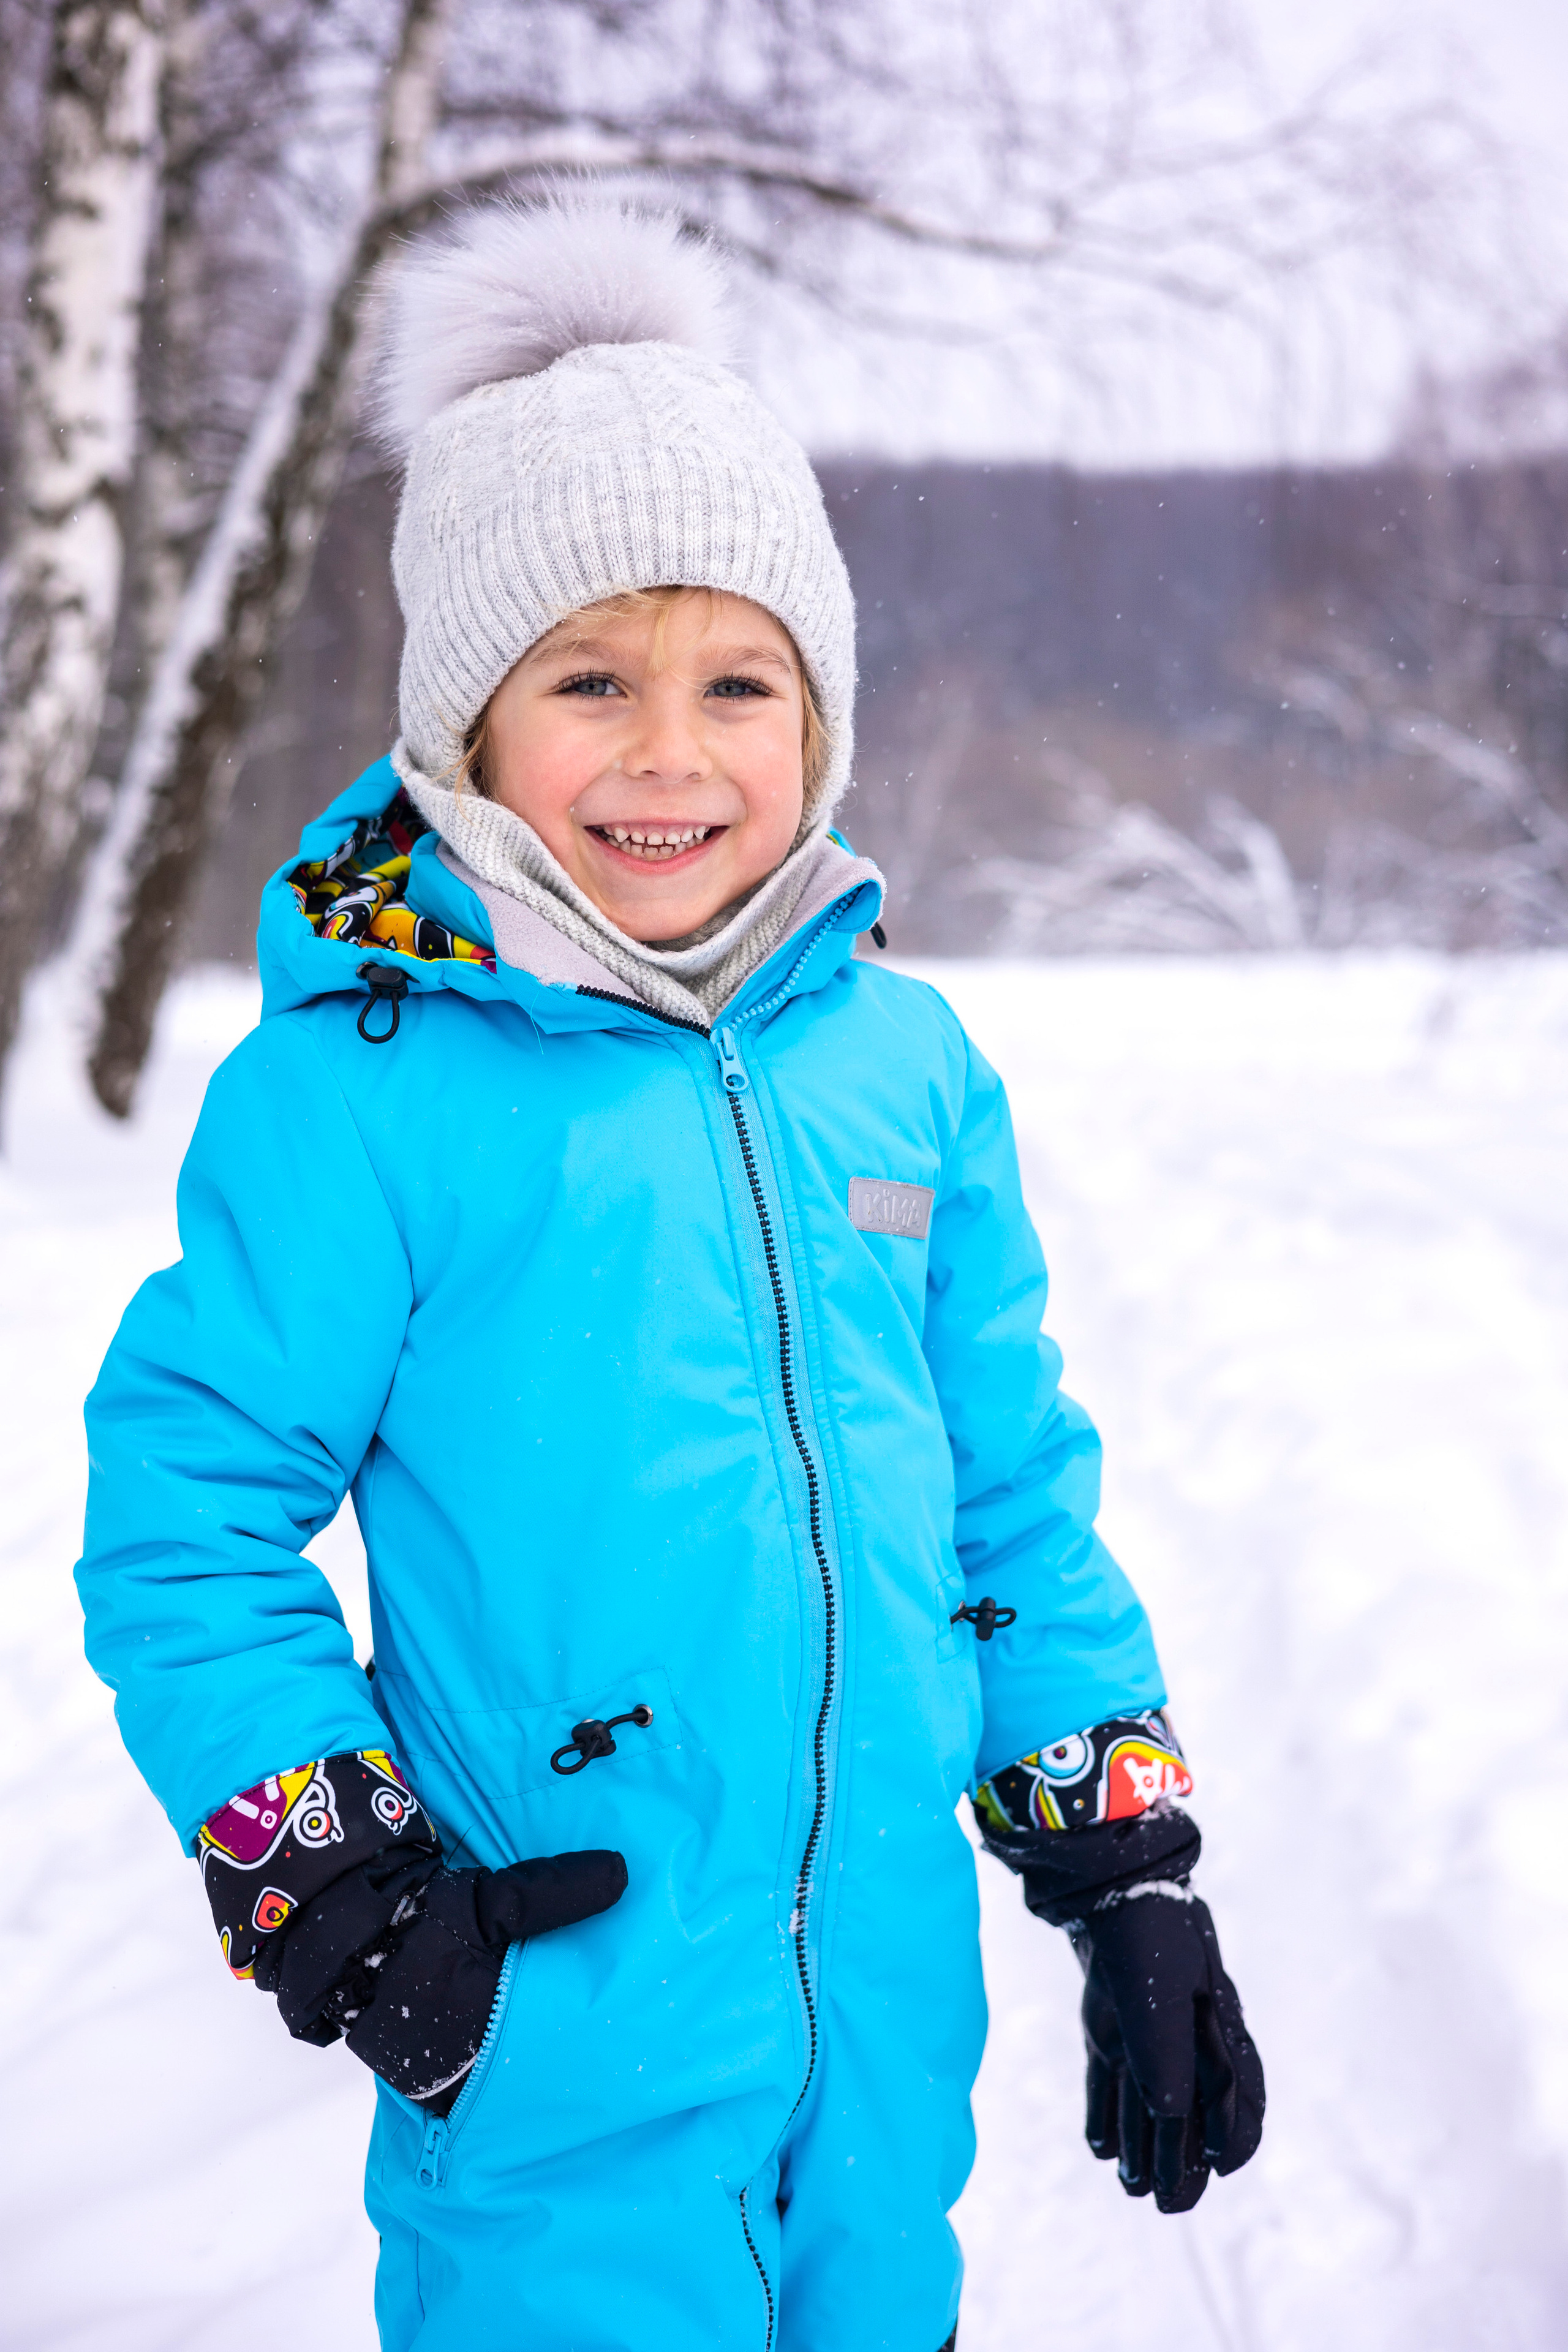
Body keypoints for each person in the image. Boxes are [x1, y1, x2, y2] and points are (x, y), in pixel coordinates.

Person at [76, 195, 1262, 2352]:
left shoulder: (903, 1066)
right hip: (550, 2001)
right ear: (465, 729)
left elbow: (1006, 1490)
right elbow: (192, 1503)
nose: (669, 753)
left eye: (740, 683)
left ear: (818, 718)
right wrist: (323, 1848)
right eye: (591, 682)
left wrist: (1125, 1862)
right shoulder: (358, 1096)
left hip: (883, 2004)